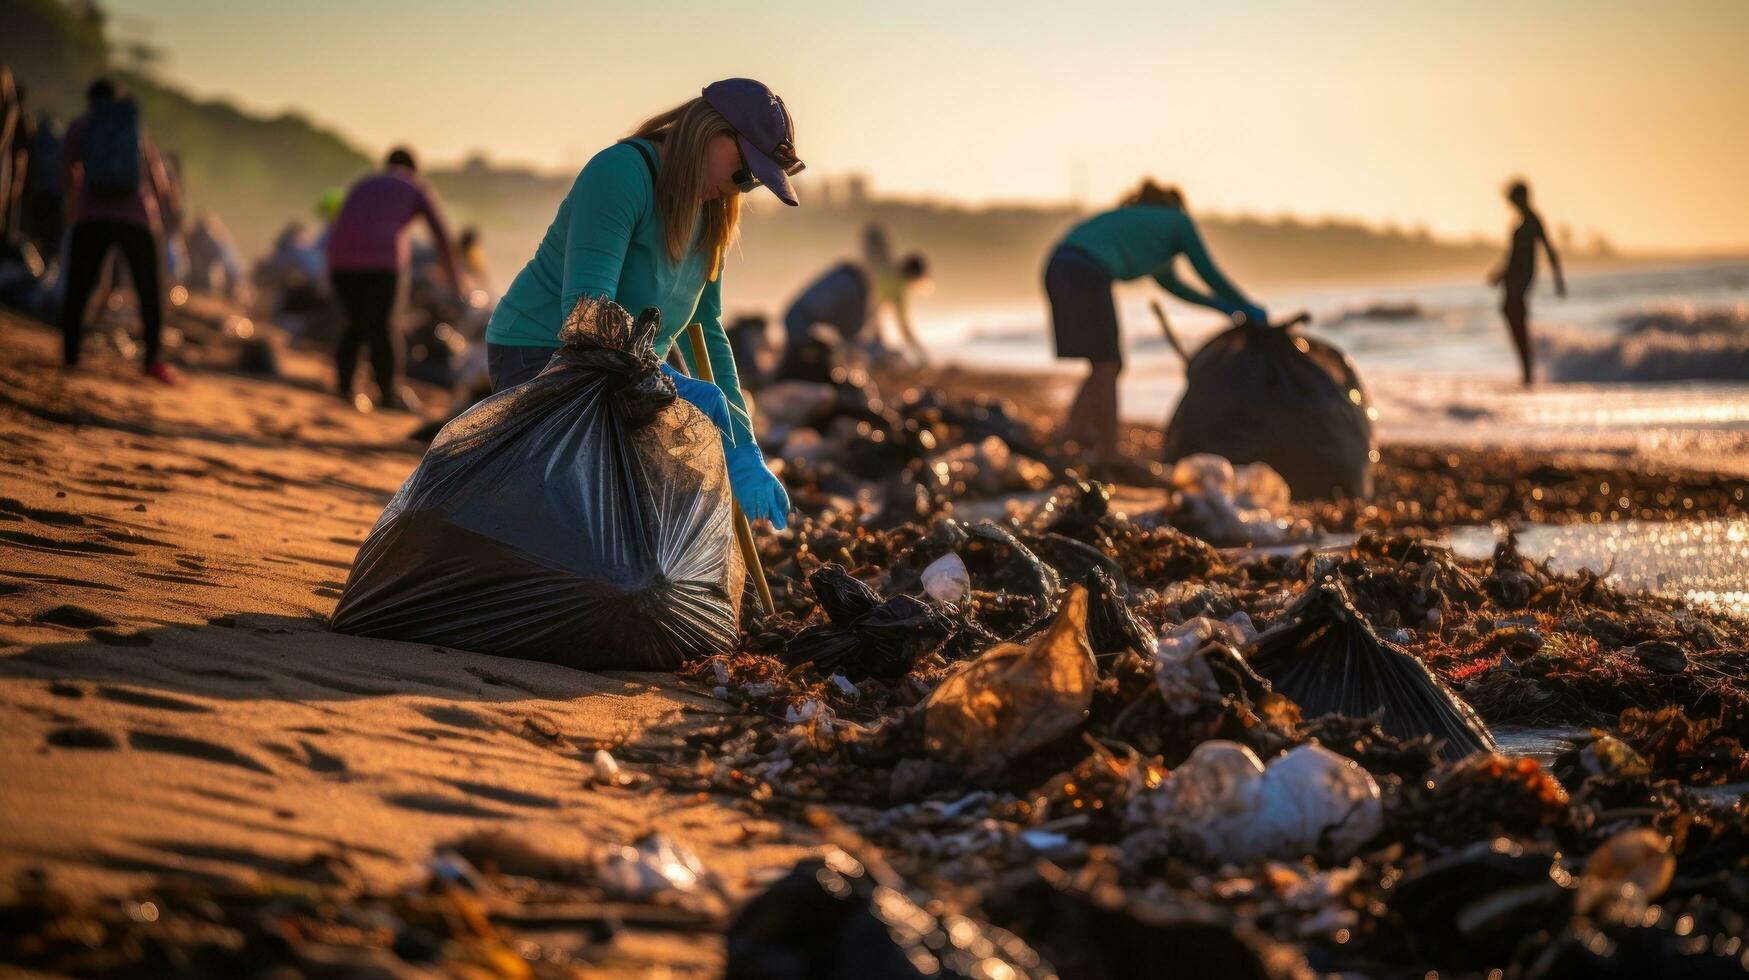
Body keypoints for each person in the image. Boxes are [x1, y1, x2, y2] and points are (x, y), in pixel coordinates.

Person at [485, 78, 802, 529]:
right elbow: (585, 315)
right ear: (711, 131)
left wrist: (744, 449)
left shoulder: (712, 210)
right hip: (543, 354)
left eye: (753, 181)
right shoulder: (621, 174)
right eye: (744, 169)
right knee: (581, 519)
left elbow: (706, 332)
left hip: (634, 372)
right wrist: (676, 385)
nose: (742, 186)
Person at [1044, 179, 1265, 467]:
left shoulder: (1145, 228)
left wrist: (1222, 307)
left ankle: (1073, 432)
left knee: (1102, 364)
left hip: (1058, 266)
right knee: (1107, 364)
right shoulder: (1178, 221)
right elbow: (1208, 272)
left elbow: (1175, 285)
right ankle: (1108, 452)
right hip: (1086, 271)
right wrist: (1247, 306)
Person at [58, 77, 181, 382]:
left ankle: (71, 355)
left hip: (91, 215)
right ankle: (152, 360)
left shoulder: (81, 126)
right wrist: (167, 211)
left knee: (79, 287)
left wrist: (73, 205)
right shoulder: (133, 128)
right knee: (149, 292)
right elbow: (158, 179)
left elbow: (68, 171)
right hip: (137, 218)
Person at [325, 146, 462, 408]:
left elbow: (343, 221)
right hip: (382, 263)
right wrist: (456, 279)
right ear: (414, 169)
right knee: (383, 326)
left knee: (355, 324)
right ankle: (387, 393)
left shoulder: (364, 183)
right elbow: (441, 236)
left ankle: (345, 389)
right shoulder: (415, 186)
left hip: (340, 259)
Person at [781, 251, 929, 372]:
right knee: (852, 349)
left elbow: (869, 321)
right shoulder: (890, 285)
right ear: (913, 277)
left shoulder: (880, 270)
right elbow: (898, 326)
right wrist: (921, 354)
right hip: (804, 319)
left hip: (800, 315)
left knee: (848, 348)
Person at [1489, 179, 1565, 387]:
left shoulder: (1532, 220)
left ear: (1522, 197)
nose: (1511, 203)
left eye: (1513, 198)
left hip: (1521, 278)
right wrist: (1499, 274)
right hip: (1513, 276)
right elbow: (1511, 255)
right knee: (1512, 314)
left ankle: (1527, 373)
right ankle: (1526, 371)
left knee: (1516, 317)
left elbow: (1549, 249)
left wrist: (1559, 280)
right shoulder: (1522, 221)